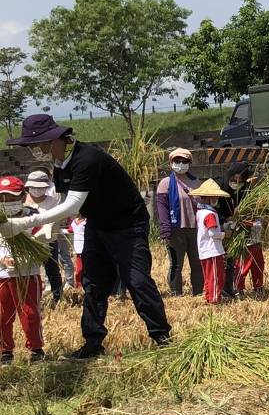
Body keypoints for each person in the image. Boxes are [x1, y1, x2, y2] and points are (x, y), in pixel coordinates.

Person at [3, 114, 171, 356]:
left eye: (36, 144)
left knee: (136, 280)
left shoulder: (87, 159)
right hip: (97, 225)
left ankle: (161, 336)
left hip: (128, 226)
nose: (34, 151)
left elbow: (72, 205)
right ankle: (93, 343)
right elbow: (62, 203)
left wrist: (28, 221)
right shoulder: (60, 166)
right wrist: (46, 233)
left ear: (54, 139)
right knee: (93, 284)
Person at [0, 175, 46, 362]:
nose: (7, 202)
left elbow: (42, 241)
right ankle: (5, 351)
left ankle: (36, 349)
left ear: (21, 196)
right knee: (2, 315)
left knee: (30, 314)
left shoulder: (32, 217)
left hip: (27, 273)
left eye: (11, 197)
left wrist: (26, 256)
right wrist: (2, 259)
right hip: (2, 275)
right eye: (3, 198)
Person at [155, 148, 204, 297]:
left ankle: (198, 292)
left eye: (184, 162)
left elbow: (203, 203)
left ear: (189, 163)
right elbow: (162, 209)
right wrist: (166, 229)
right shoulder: (165, 183)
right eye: (177, 161)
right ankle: (176, 294)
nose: (181, 164)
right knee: (177, 264)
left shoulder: (196, 182)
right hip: (175, 230)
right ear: (171, 163)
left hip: (195, 228)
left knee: (197, 263)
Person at [24, 171, 67, 305]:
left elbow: (57, 219)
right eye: (34, 187)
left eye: (41, 187)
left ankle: (58, 297)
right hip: (27, 242)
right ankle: (29, 298)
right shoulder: (22, 201)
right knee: (28, 271)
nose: (37, 190)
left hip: (48, 241)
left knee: (52, 269)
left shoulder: (53, 201)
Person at [190, 178, 230, 305]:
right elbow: (213, 234)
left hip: (204, 250)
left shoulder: (200, 211)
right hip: (212, 251)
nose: (216, 200)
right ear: (207, 197)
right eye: (214, 197)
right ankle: (214, 300)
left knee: (208, 277)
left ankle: (209, 296)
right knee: (215, 277)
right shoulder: (210, 214)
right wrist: (225, 234)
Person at [227, 164, 266, 295]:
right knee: (243, 265)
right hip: (246, 238)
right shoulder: (241, 197)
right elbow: (238, 217)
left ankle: (258, 286)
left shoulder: (255, 196)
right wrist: (249, 223)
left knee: (258, 264)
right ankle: (238, 288)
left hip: (257, 237)